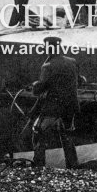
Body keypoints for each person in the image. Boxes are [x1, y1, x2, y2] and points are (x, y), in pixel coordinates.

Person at [31, 37, 82, 168]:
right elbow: (80, 80)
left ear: (48, 49)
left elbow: (39, 89)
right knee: (67, 136)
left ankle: (38, 165)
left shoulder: (47, 66)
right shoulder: (72, 62)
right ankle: (73, 166)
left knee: (39, 133)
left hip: (53, 108)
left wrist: (35, 85)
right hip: (70, 107)